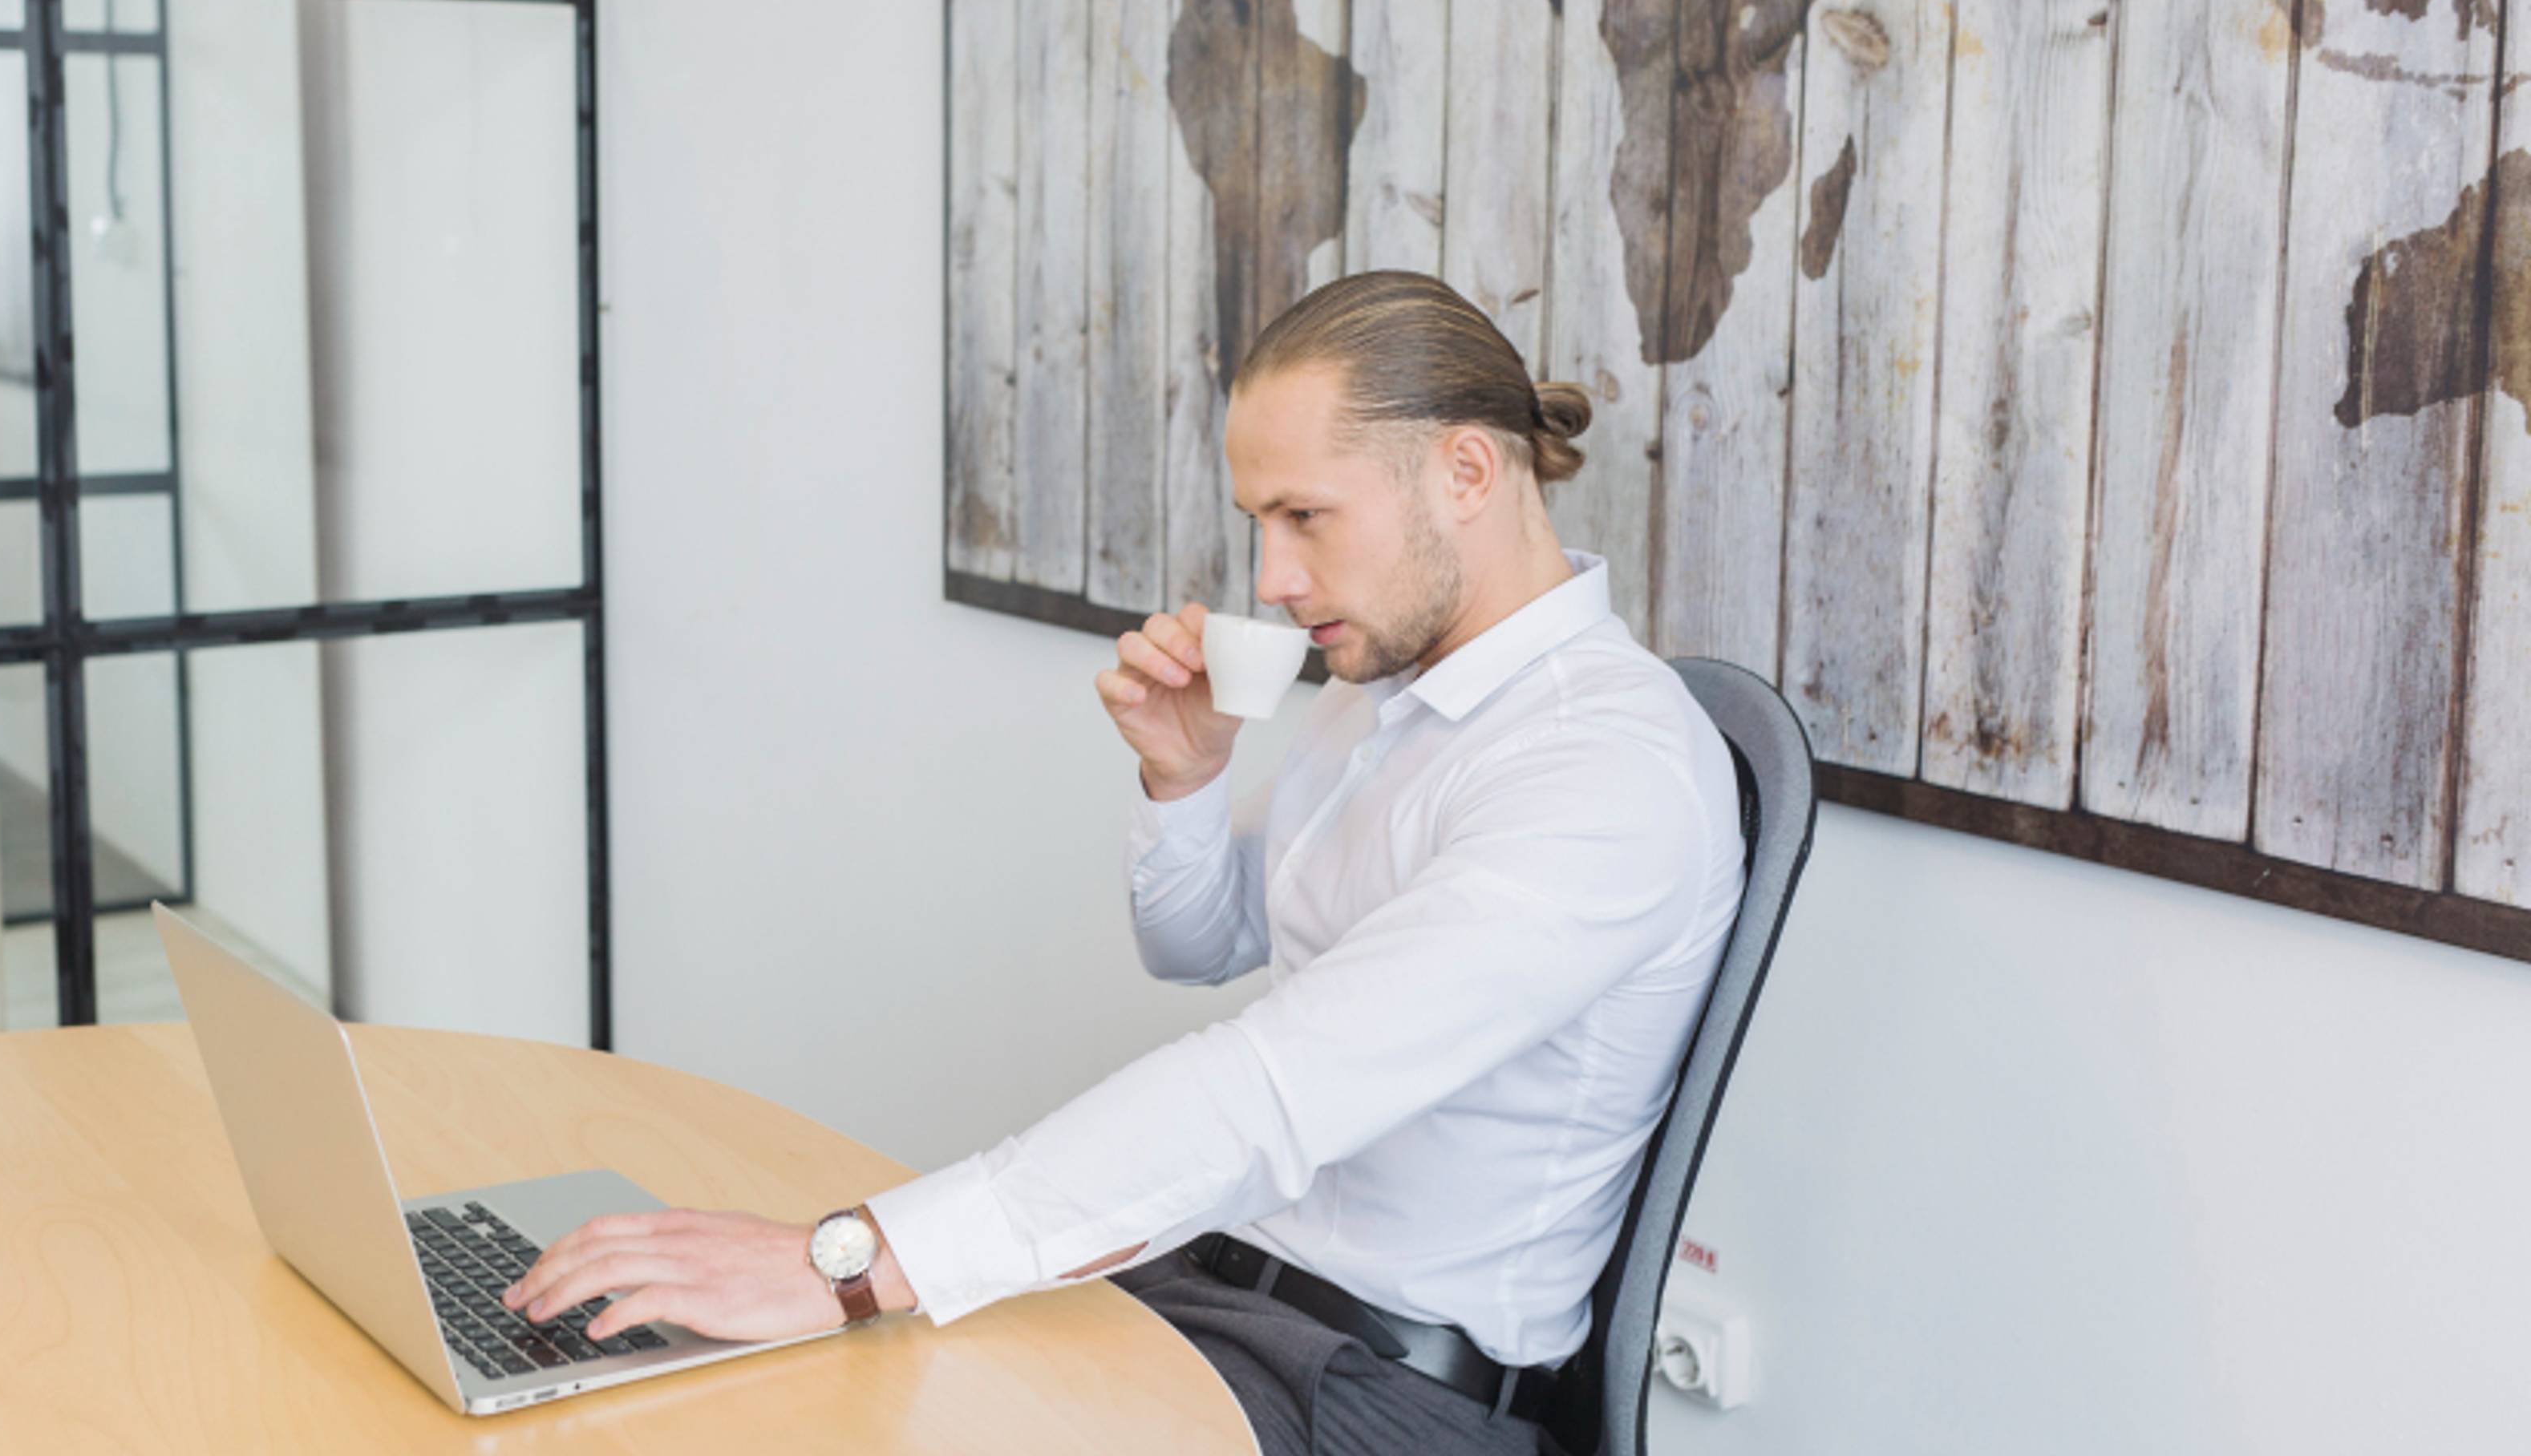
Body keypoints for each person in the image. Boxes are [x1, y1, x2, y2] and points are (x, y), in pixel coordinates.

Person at [504, 270, 1748, 1454]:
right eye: (1260, 523)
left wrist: (846, 1256)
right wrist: (1185, 777)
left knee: (834, 1373)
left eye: (1306, 516)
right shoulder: (1384, 699)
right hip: (1207, 1288)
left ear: (1466, 471)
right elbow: (1201, 948)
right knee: (745, 1392)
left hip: (1373, 1396)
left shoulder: (1604, 772)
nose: (1273, 578)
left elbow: (1270, 1090)